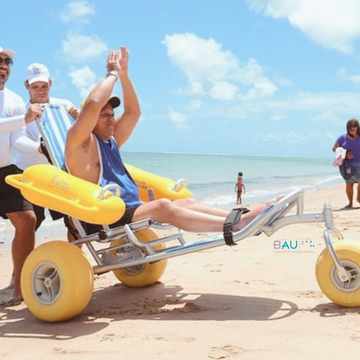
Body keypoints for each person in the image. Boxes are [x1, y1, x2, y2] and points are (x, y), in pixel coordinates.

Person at [65, 47, 277, 236]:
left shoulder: (110, 141)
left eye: (112, 113)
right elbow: (93, 103)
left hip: (130, 208)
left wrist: (124, 76)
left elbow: (133, 113)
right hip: (107, 217)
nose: (112, 117)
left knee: (185, 202)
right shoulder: (80, 145)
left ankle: (240, 216)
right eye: (105, 115)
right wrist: (111, 73)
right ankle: (237, 226)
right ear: (89, 120)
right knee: (164, 206)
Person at [13, 63, 79, 229]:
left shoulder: (62, 106)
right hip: (29, 172)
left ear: (51, 83)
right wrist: (40, 148)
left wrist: (81, 116)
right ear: (26, 85)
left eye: (44, 86)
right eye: (35, 86)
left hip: (57, 171)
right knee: (33, 221)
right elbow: (17, 141)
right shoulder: (22, 110)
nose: (40, 90)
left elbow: (83, 127)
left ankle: (72, 254)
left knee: (74, 220)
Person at [0, 45, 42, 304]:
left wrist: (39, 148)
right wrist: (24, 119)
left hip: (4, 171)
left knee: (28, 219)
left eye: (7, 62)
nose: (3, 66)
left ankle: (18, 287)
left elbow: (16, 141)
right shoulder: (21, 110)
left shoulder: (14, 100)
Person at [333, 118, 360, 209]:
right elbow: (334, 148)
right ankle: (350, 203)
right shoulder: (342, 138)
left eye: (354, 126)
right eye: (350, 127)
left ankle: (359, 197)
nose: (352, 128)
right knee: (349, 183)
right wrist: (345, 154)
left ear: (357, 127)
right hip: (348, 164)